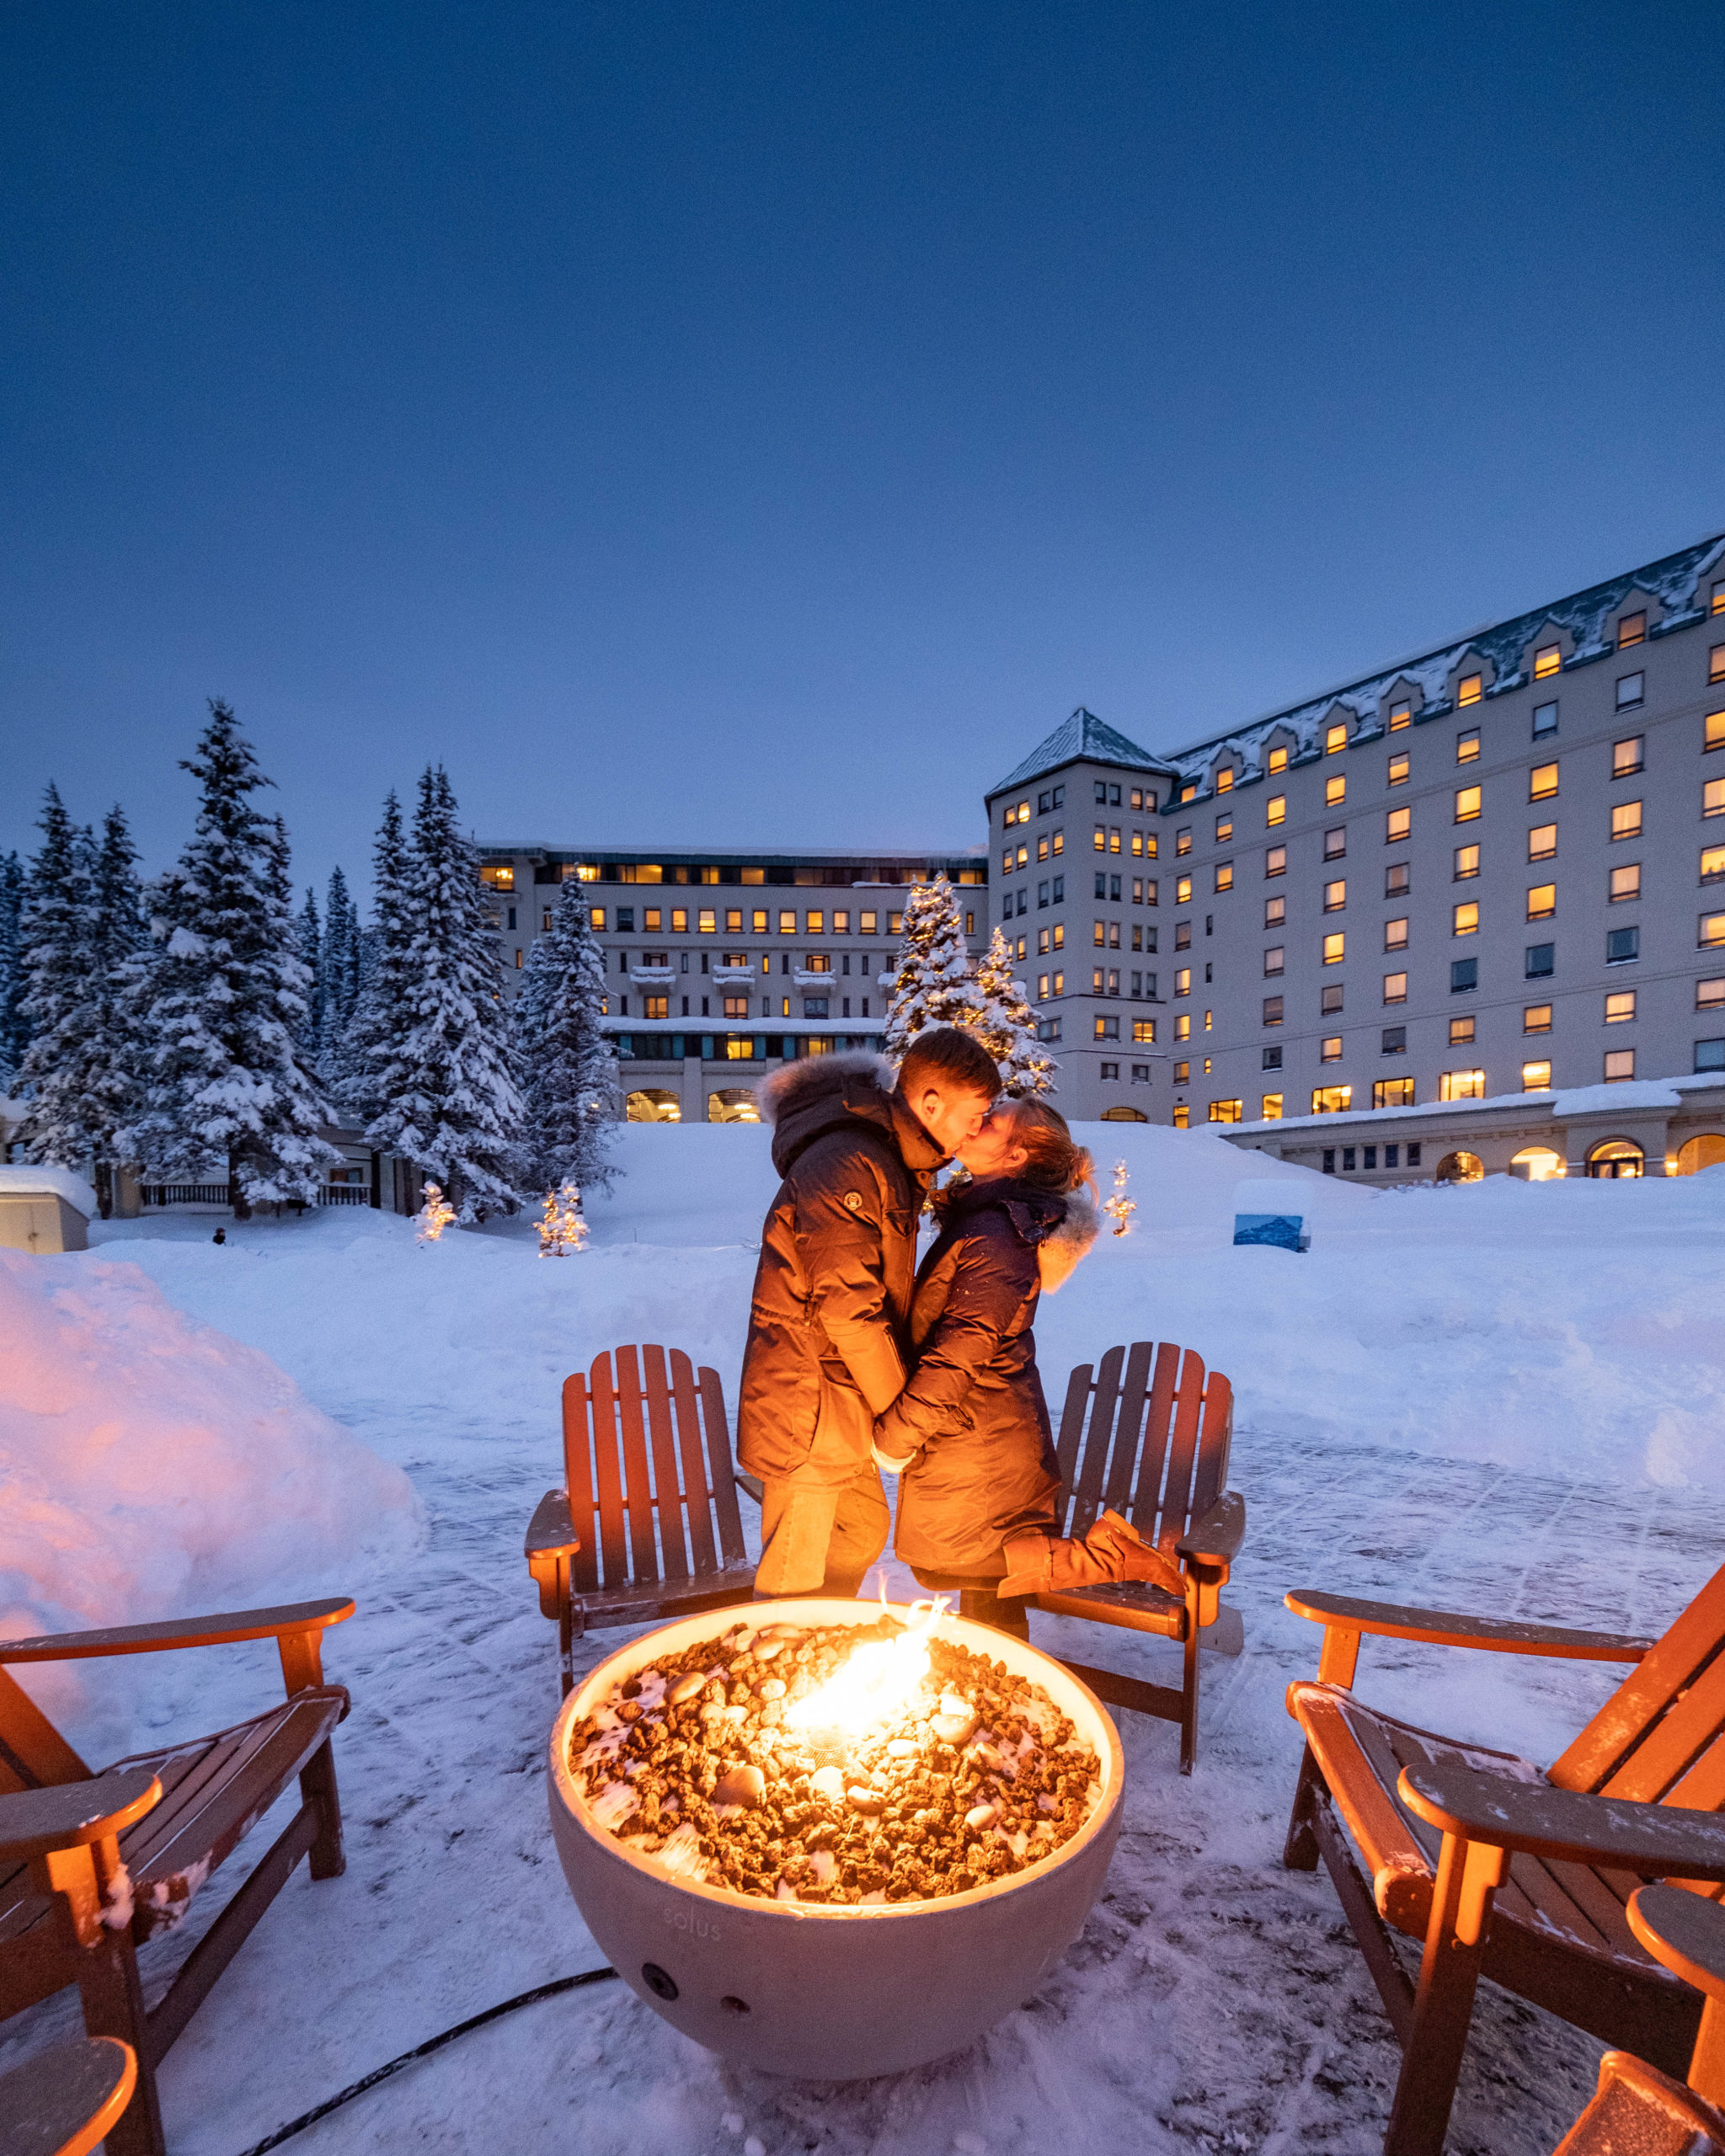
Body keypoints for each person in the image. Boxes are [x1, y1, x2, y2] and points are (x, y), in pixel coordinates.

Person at [873, 1098, 1184, 1638]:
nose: (977, 1120)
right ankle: (1007, 1688)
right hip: (980, 1431)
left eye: (993, 1120)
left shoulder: (998, 1231)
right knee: (987, 1578)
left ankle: (1103, 1567)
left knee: (983, 1571)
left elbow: (965, 1345)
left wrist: (899, 1435)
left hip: (983, 1441)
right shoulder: (990, 1219)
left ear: (1016, 1154)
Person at [738, 1027, 1002, 1601]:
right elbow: (849, 1310)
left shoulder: (885, 1161)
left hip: (839, 1399)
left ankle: (821, 1643)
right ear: (930, 1103)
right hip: (808, 1405)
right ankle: (778, 1665)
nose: (978, 1129)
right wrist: (900, 1418)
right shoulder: (849, 1164)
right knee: (794, 1573)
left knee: (859, 1532)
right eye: (975, 1114)